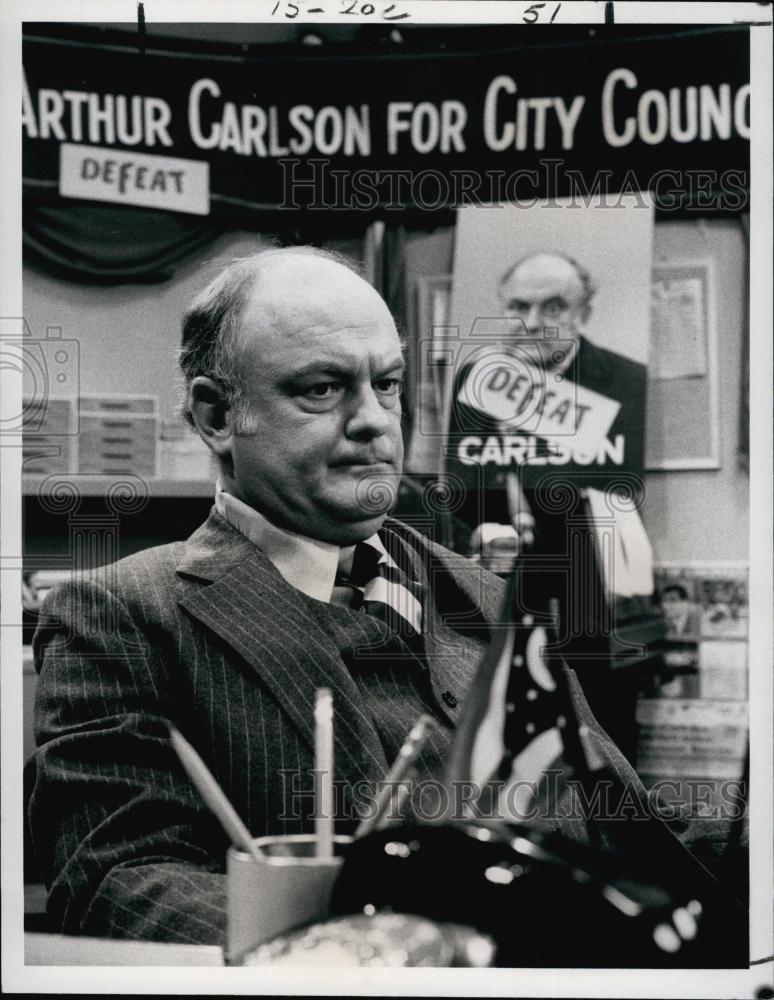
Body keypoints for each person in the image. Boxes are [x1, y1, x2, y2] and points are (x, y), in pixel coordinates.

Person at [27, 248, 737, 951]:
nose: (374, 421)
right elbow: (115, 881)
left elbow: (632, 830)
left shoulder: (490, 600)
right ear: (217, 416)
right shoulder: (121, 617)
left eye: (388, 385)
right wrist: (372, 948)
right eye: (322, 389)